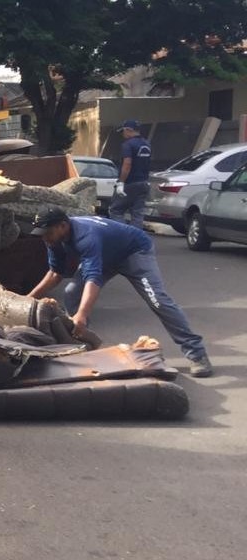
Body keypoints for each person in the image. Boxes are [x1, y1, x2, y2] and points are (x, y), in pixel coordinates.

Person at [27, 208, 212, 377]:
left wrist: (81, 314)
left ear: (62, 226)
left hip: (134, 251)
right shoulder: (53, 239)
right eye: (42, 234)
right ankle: (86, 349)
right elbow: (54, 274)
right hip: (105, 255)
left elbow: (93, 277)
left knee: (158, 301)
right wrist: (27, 299)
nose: (45, 238)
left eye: (48, 233)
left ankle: (197, 354)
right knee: (72, 292)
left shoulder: (86, 236)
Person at [109, 119, 152, 229]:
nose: (123, 134)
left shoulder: (128, 145)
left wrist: (121, 183)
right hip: (143, 183)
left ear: (129, 130)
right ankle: (136, 239)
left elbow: (127, 163)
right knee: (137, 214)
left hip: (130, 183)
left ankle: (124, 235)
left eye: (123, 131)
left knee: (116, 211)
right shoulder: (146, 144)